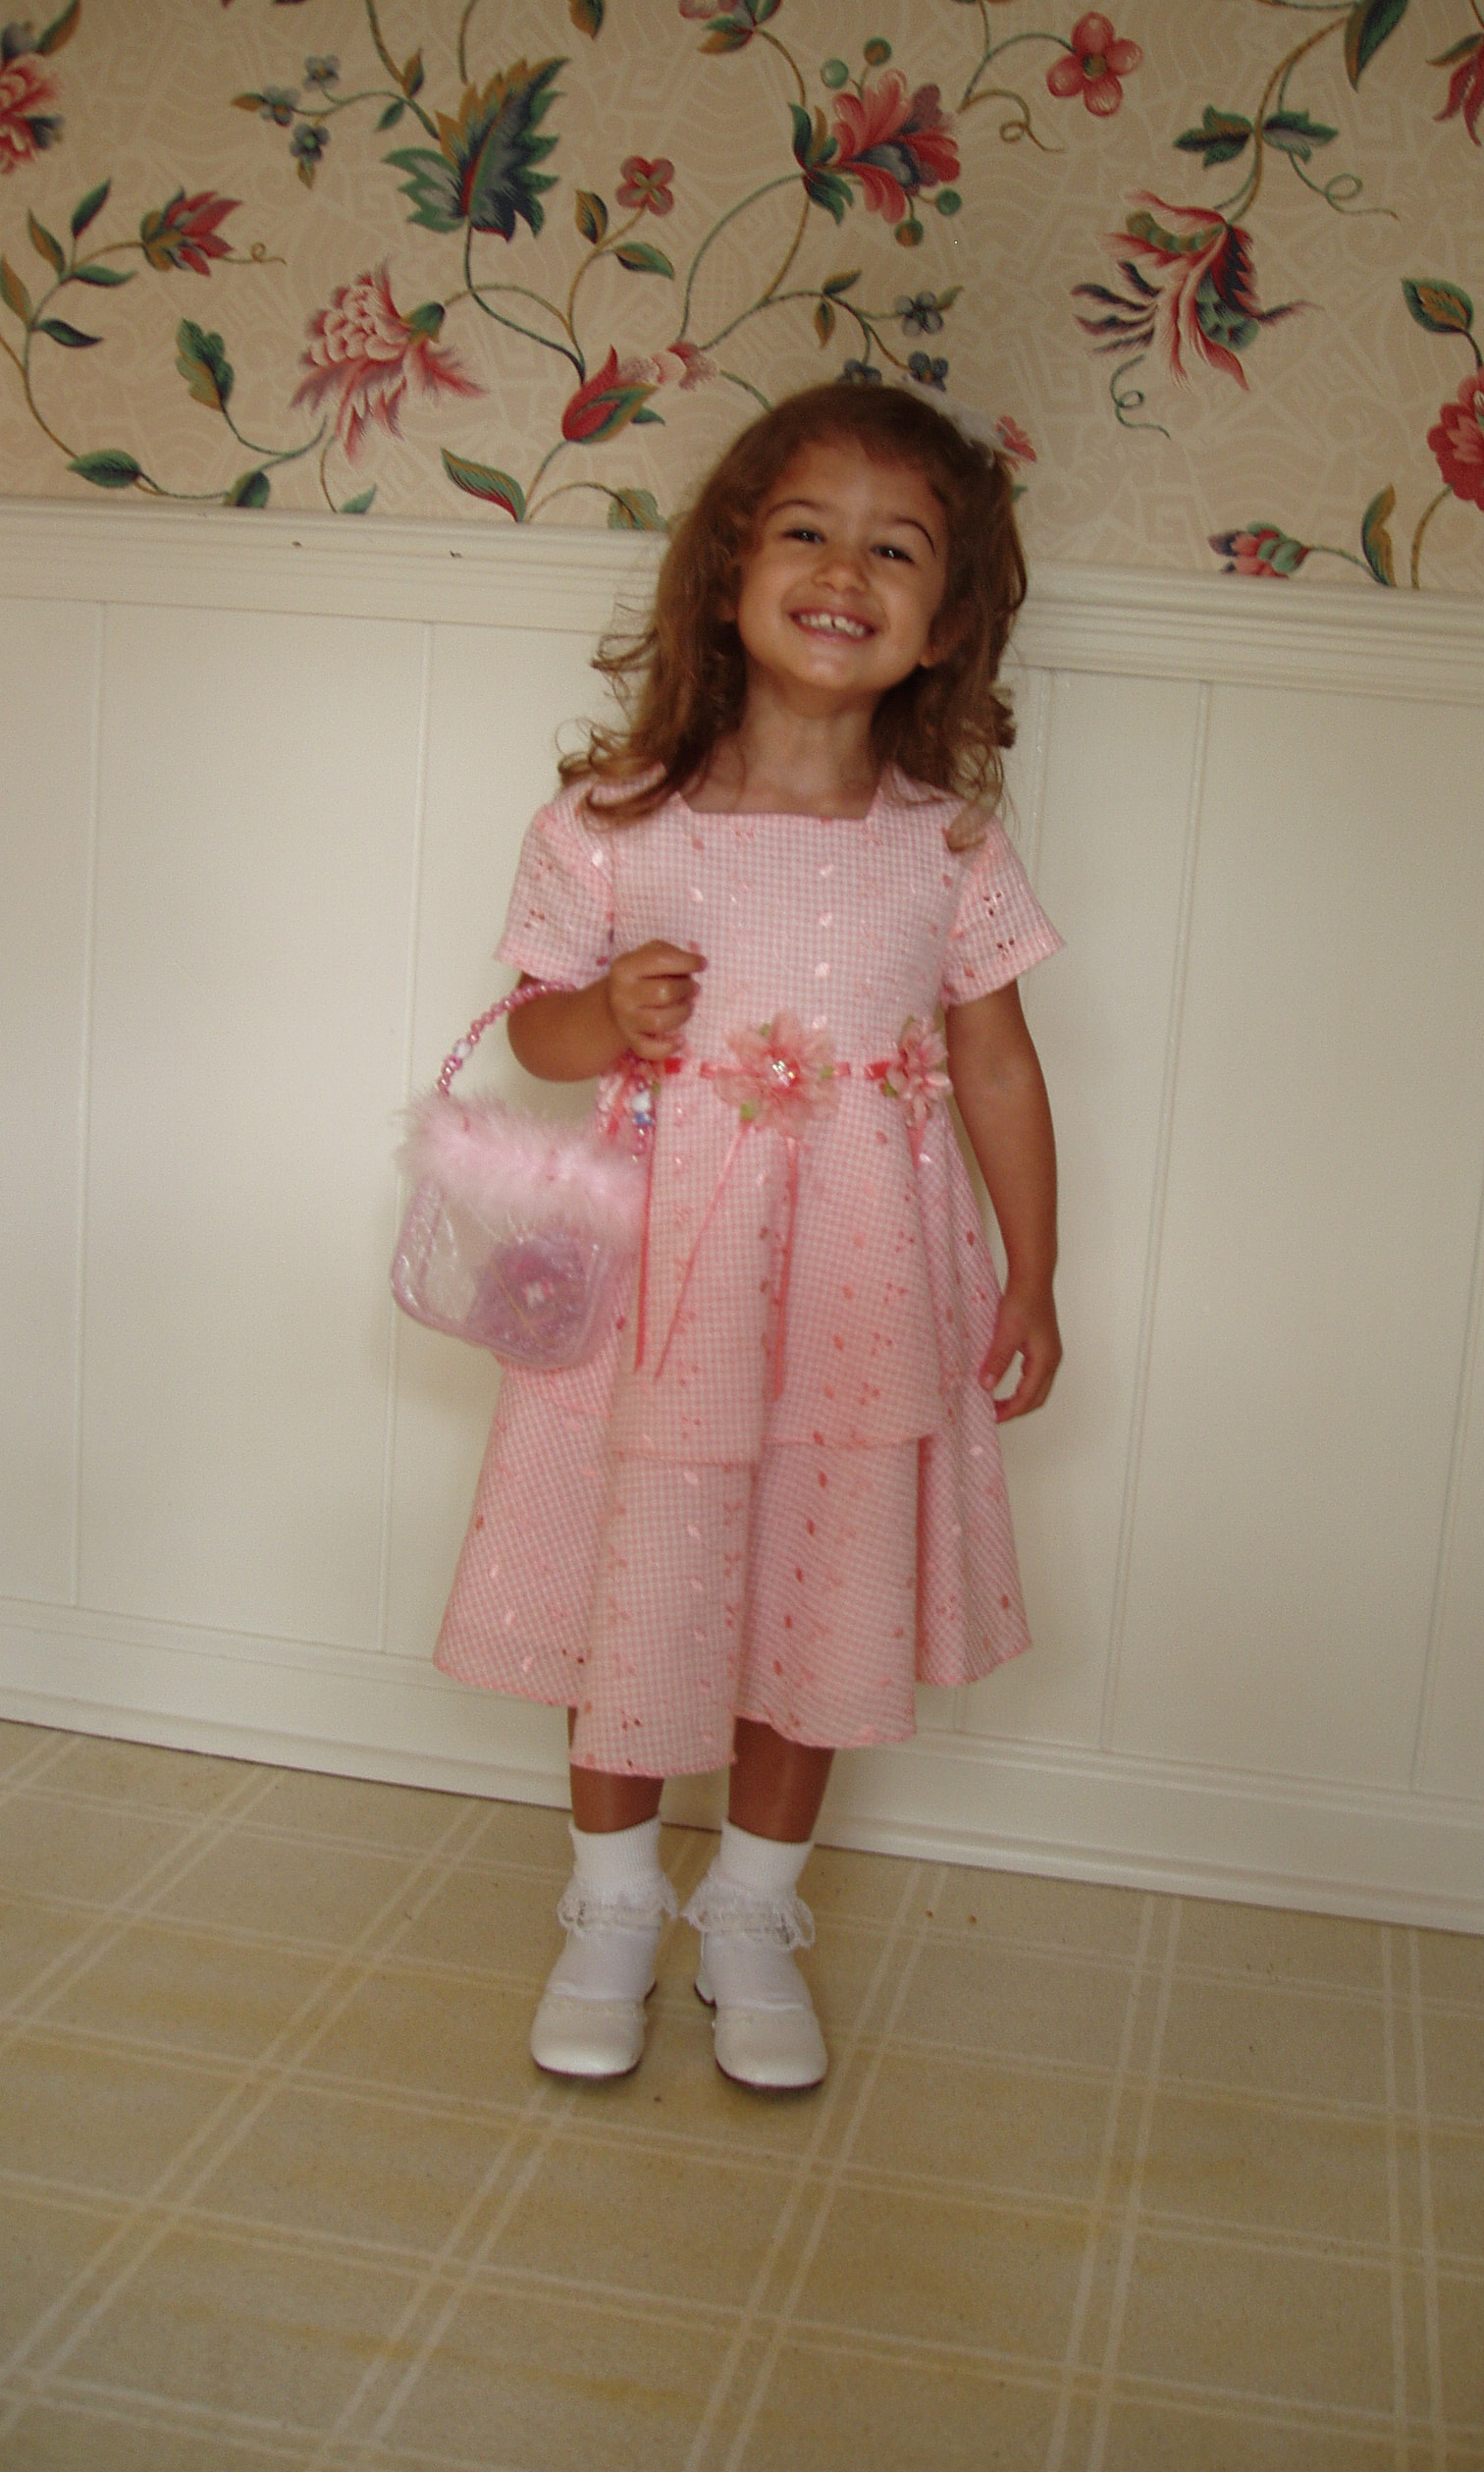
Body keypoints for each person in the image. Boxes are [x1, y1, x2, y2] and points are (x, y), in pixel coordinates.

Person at [433, 380, 1062, 2091]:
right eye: (805, 531)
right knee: (641, 1583)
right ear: (728, 573)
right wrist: (609, 1015)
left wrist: (1035, 1272)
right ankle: (612, 1903)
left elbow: (999, 1065)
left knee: (823, 1581)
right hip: (666, 1301)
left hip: (866, 1294)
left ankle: (756, 1915)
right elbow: (535, 1033)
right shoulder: (613, 825)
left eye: (897, 549)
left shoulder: (947, 847)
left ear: (949, 624)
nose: (845, 571)